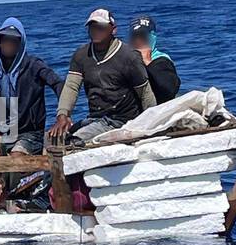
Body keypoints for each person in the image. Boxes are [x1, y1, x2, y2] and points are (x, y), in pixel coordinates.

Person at [48, 7, 157, 144]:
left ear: (113, 29)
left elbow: (145, 93)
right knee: (51, 139)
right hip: (96, 118)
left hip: (122, 121)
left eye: (101, 28)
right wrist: (63, 115)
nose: (96, 31)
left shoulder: (129, 56)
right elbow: (71, 86)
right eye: (93, 28)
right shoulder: (81, 55)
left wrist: (151, 124)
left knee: (75, 140)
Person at [0, 16, 63, 154]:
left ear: (20, 44)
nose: (8, 44)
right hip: (6, 132)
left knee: (17, 155)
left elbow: (59, 84)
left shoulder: (34, 65)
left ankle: (32, 175)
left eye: (13, 41)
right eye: (5, 40)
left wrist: (63, 114)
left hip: (30, 134)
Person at [129, 13, 180, 104]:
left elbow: (170, 89)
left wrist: (148, 62)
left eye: (142, 36)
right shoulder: (127, 59)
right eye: (135, 36)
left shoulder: (162, 60)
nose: (138, 40)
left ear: (152, 36)